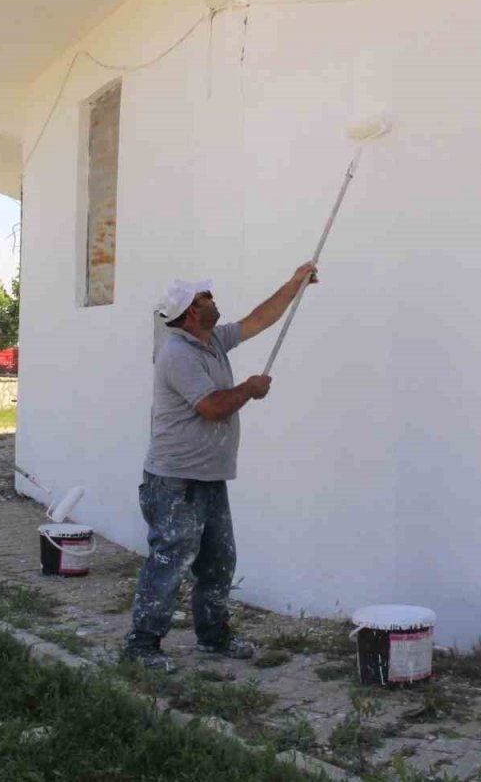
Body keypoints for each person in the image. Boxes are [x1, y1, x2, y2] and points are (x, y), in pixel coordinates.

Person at [123, 263, 319, 672]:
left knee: (218, 561)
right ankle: (142, 645)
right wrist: (249, 388)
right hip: (176, 482)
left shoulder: (211, 341)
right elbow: (212, 407)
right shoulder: (177, 354)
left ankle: (213, 637)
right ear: (191, 312)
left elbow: (258, 320)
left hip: (208, 478)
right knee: (171, 560)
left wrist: (293, 282)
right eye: (205, 297)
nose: (213, 299)